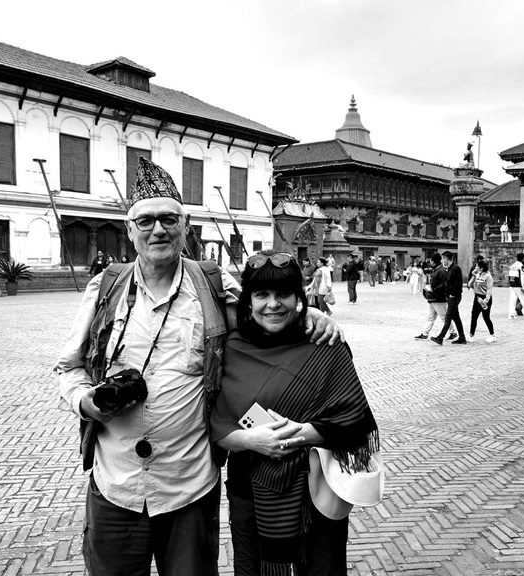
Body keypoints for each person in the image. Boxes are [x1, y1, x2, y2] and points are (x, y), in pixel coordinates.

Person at [53, 157, 342, 576]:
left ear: (185, 225)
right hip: (115, 484)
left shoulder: (212, 283)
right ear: (129, 229)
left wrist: (307, 315)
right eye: (146, 221)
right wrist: (85, 402)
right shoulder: (106, 288)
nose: (158, 230)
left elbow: (264, 311)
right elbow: (68, 367)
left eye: (169, 219)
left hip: (189, 487)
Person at [211, 251, 379, 576]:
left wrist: (297, 434)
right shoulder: (233, 348)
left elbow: (356, 420)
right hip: (250, 491)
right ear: (248, 300)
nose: (273, 304)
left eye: (283, 294)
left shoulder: (325, 345)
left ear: (298, 297)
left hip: (315, 491)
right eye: (262, 295)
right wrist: (253, 440)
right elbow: (218, 424)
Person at [414, 253, 457, 341]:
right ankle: (425, 333)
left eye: (431, 261)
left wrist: (434, 289)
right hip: (433, 298)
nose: (430, 262)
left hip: (439, 299)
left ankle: (453, 333)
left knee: (444, 317)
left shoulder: (441, 271)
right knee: (430, 317)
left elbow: (445, 284)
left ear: (433, 261)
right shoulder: (438, 270)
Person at [431, 251, 467, 345]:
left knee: (448, 317)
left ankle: (440, 337)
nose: (442, 260)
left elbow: (458, 284)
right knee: (456, 318)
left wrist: (453, 294)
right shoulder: (449, 269)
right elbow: (447, 283)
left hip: (454, 297)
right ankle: (462, 337)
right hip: (451, 296)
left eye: (443, 258)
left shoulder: (456, 268)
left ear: (447, 258)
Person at [467, 260, 496, 343]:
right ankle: (471, 334)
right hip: (477, 298)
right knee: (474, 316)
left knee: (486, 317)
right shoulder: (477, 275)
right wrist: (473, 276)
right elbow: (469, 285)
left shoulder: (488, 276)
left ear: (481, 268)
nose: (475, 268)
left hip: (484, 298)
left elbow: (489, 289)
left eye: (477, 266)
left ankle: (492, 334)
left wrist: (486, 301)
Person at [507, 253, 524, 319]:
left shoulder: (512, 265)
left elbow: (509, 276)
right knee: (523, 300)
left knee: (512, 301)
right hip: (518, 286)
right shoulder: (521, 266)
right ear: (523, 258)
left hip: (512, 285)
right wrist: (523, 287)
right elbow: (522, 277)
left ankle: (511, 314)